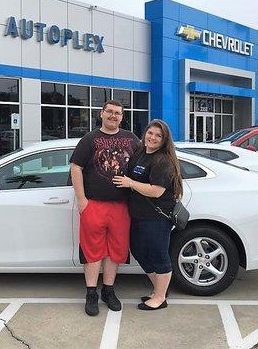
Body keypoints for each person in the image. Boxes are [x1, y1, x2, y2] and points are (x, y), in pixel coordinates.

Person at [70, 100, 140, 316]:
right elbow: (76, 167)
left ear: (122, 117)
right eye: (109, 111)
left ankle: (108, 291)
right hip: (94, 204)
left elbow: (144, 164)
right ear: (101, 114)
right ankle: (91, 293)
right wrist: (82, 200)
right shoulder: (89, 139)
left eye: (117, 113)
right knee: (92, 251)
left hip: (122, 206)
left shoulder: (131, 139)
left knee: (115, 251)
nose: (113, 115)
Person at [112, 119, 183, 311]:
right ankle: (161, 289)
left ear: (164, 140)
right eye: (150, 133)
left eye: (158, 136)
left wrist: (130, 184)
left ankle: (160, 297)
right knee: (139, 252)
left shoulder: (163, 160)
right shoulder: (141, 154)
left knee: (158, 254)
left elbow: (156, 191)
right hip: (138, 214)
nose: (153, 138)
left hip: (157, 216)